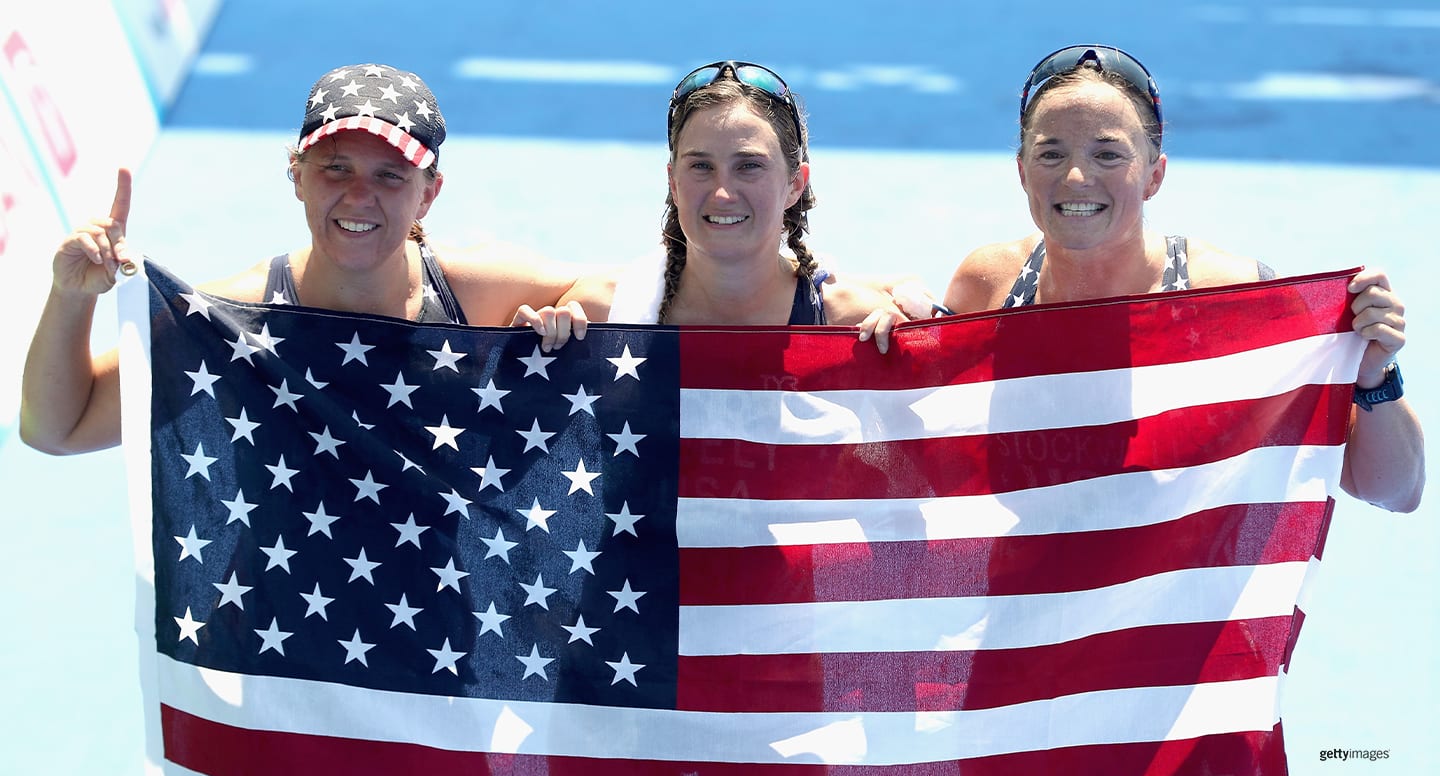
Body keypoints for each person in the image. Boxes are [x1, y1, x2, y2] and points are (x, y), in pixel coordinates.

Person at [939, 44, 1424, 512]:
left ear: (1154, 175)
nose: (1076, 178)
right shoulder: (990, 287)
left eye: (1108, 154)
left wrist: (1373, 377)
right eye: (1051, 155)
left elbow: (1391, 491)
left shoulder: (1233, 300)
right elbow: (923, 451)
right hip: (1027, 592)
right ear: (1023, 172)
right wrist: (882, 345)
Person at [20, 62, 585, 456]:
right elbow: (58, 430)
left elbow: (626, 295)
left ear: (428, 193)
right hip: (277, 624)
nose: (359, 196)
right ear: (296, 176)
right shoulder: (232, 321)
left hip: (441, 625)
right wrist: (70, 298)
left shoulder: (478, 290)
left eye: (390, 176)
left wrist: (568, 317)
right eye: (335, 168)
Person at [559, 60, 902, 348]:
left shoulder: (854, 326)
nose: (723, 194)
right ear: (673, 183)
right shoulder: (598, 320)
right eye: (701, 166)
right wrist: (525, 354)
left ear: (795, 184)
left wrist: (914, 348)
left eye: (749, 166)